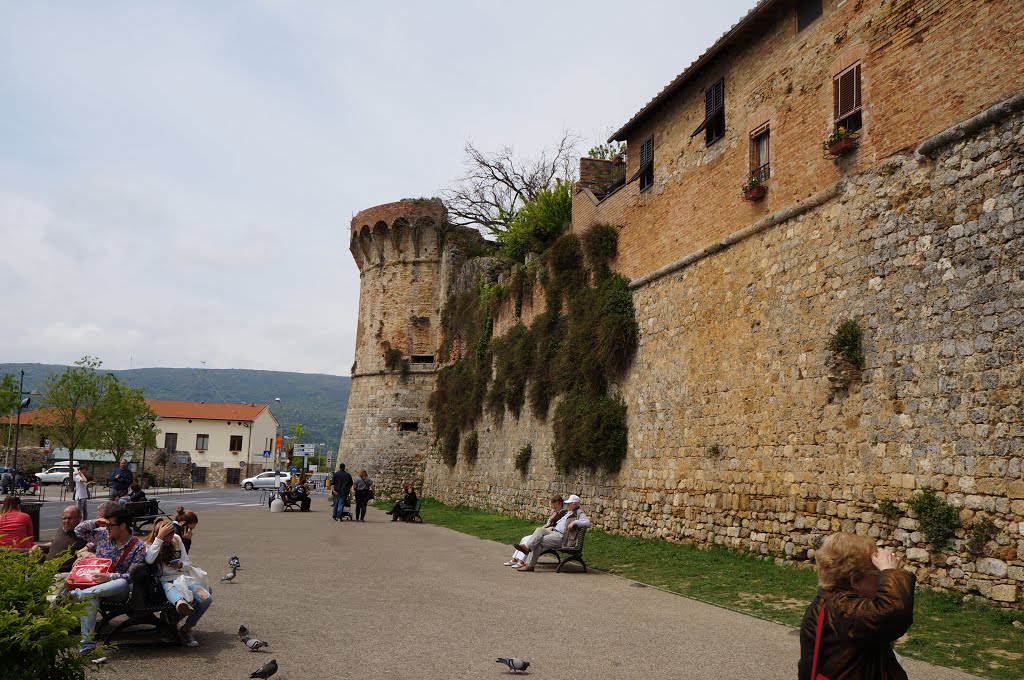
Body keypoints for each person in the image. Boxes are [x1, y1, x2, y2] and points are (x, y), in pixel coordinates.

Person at [797, 533, 914, 680]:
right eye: (878, 575)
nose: (882, 582)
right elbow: (893, 614)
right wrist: (890, 572)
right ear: (856, 581)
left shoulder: (829, 601)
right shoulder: (844, 610)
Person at [70, 507, 148, 654]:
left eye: (110, 525)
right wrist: (96, 522)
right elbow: (78, 530)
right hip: (95, 587)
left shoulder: (138, 546)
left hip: (119, 590)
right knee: (90, 598)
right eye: (105, 525)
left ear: (123, 526)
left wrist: (110, 577)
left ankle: (79, 594)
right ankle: (87, 646)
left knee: (122, 582)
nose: (106, 528)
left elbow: (132, 576)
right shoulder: (102, 535)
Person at [144, 519, 212, 647]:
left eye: (170, 537)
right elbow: (148, 560)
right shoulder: (150, 544)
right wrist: (159, 539)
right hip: (164, 582)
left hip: (183, 579)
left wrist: (180, 564)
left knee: (206, 598)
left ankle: (185, 628)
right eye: (166, 537)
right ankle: (178, 608)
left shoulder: (176, 538)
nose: (169, 541)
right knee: (174, 594)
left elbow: (186, 564)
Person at [515, 494, 590, 572]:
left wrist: (575, 522)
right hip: (554, 532)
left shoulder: (579, 513)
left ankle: (530, 565)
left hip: (563, 538)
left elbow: (587, 523)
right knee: (539, 530)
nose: (567, 505)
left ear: (574, 504)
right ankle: (527, 547)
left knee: (539, 541)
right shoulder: (569, 512)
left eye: (569, 503)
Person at [505, 496, 566, 567]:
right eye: (552, 504)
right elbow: (548, 524)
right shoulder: (555, 513)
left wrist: (551, 527)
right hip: (545, 531)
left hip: (551, 534)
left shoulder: (563, 513)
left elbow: (558, 526)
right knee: (525, 538)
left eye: (554, 504)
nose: (553, 506)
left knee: (529, 540)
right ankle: (514, 559)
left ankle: (521, 562)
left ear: (560, 503)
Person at [38, 505, 87, 571]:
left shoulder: (84, 534)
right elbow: (54, 543)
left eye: (70, 518)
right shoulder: (61, 530)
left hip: (63, 571)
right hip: (47, 568)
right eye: (64, 518)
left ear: (79, 518)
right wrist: (38, 546)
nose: (66, 521)